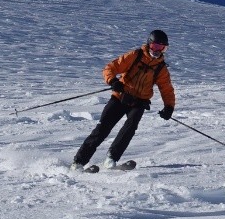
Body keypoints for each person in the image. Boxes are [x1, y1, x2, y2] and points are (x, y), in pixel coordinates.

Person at [71, 30, 176, 170]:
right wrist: (113, 81)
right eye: (155, 46)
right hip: (120, 97)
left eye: (161, 48)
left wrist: (169, 107)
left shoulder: (161, 68)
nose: (157, 51)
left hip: (139, 102)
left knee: (130, 128)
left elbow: (166, 88)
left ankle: (111, 158)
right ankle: (79, 162)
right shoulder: (135, 55)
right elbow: (111, 67)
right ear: (149, 44)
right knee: (103, 128)